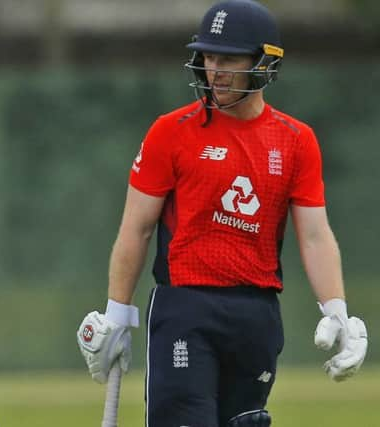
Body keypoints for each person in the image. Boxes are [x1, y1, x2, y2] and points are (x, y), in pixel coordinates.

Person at [77, 1, 368, 426]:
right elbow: (135, 229)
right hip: (185, 308)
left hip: (258, 311)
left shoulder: (296, 141)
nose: (215, 69)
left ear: (264, 62)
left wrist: (337, 311)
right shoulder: (170, 132)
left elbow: (315, 236)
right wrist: (117, 313)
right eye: (208, 56)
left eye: (228, 58)